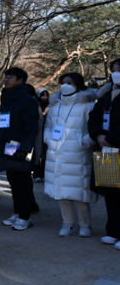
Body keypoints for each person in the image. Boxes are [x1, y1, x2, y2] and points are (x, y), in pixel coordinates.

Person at [43, 73, 96, 237]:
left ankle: (85, 224)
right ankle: (67, 223)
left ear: (78, 86)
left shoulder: (87, 105)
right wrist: (48, 140)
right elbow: (48, 126)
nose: (65, 85)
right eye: (62, 82)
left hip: (78, 154)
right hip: (56, 153)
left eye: (69, 83)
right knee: (60, 193)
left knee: (79, 193)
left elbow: (93, 128)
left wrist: (84, 142)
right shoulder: (55, 106)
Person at [0, 67, 40, 231]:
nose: (6, 79)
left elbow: (30, 129)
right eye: (5, 76)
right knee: (13, 180)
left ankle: (25, 217)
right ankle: (17, 212)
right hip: (8, 145)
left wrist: (25, 150)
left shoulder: (28, 100)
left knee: (23, 182)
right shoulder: (8, 99)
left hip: (20, 148)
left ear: (20, 80)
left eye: (10, 77)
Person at [88, 58, 120, 249]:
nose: (116, 72)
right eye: (114, 69)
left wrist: (112, 138)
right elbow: (94, 117)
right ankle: (113, 231)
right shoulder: (106, 95)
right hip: (106, 149)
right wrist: (98, 134)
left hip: (115, 144)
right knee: (111, 193)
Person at [34, 87, 51, 182]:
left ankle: (43, 174)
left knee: (45, 154)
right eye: (42, 95)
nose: (44, 97)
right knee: (37, 153)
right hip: (38, 132)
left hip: (47, 132)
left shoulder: (51, 106)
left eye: (46, 95)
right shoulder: (36, 104)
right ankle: (37, 174)